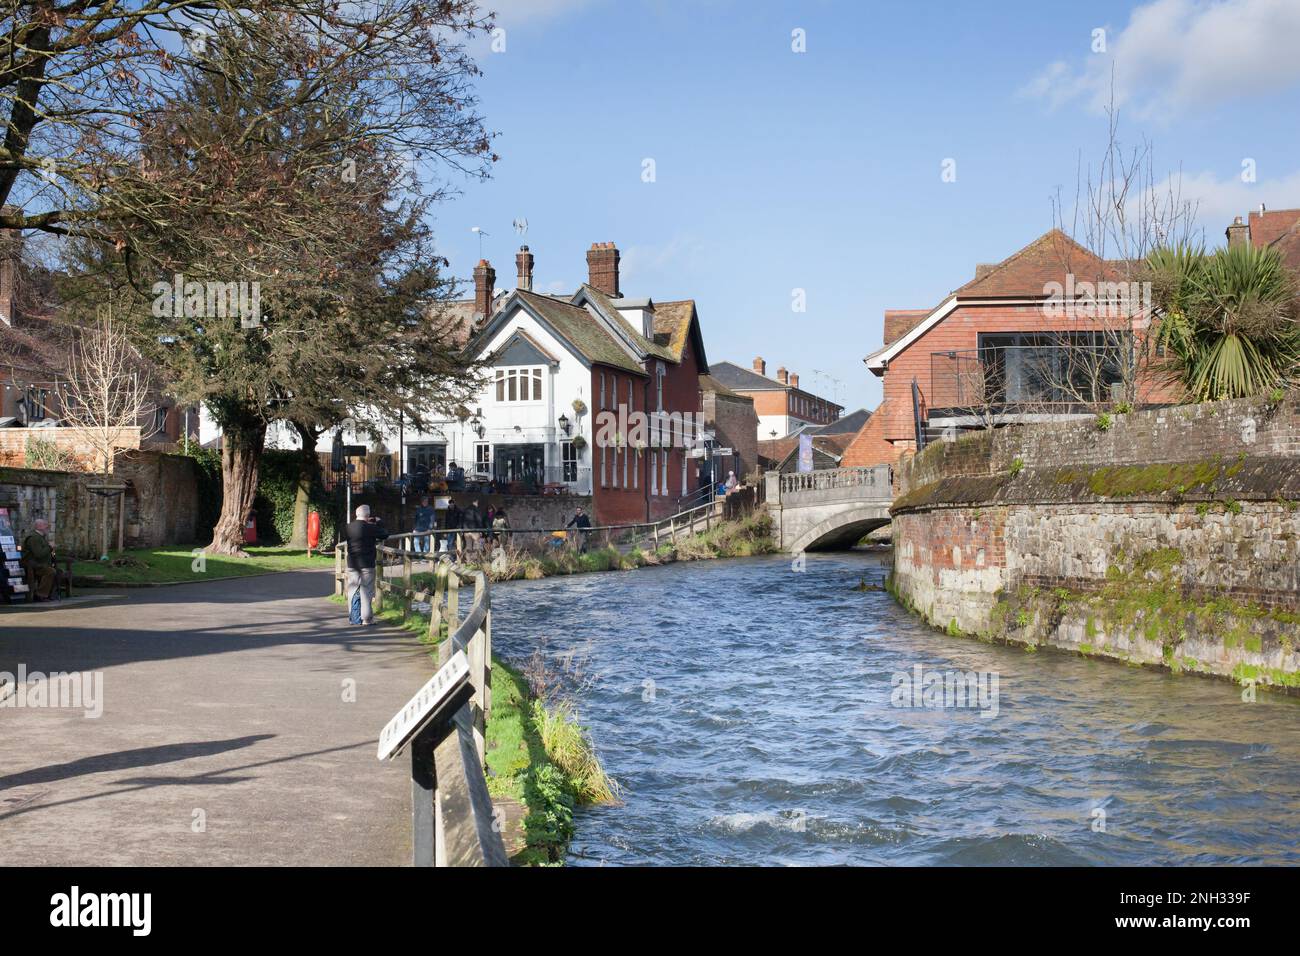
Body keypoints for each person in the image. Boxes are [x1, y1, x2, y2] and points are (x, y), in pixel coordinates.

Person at [344, 504, 388, 626]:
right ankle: (366, 619)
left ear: (356, 514)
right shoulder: (370, 528)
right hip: (367, 564)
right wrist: (379, 522)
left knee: (353, 590)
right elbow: (385, 534)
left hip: (352, 564)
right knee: (366, 591)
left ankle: (353, 618)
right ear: (368, 515)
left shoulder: (348, 527)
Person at [20, 519, 56, 601]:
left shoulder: (40, 537)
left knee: (58, 571)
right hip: (34, 566)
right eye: (45, 525)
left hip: (41, 565)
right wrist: (50, 547)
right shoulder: (34, 538)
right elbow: (39, 554)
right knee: (50, 571)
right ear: (39, 526)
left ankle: (49, 594)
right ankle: (40, 595)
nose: (48, 527)